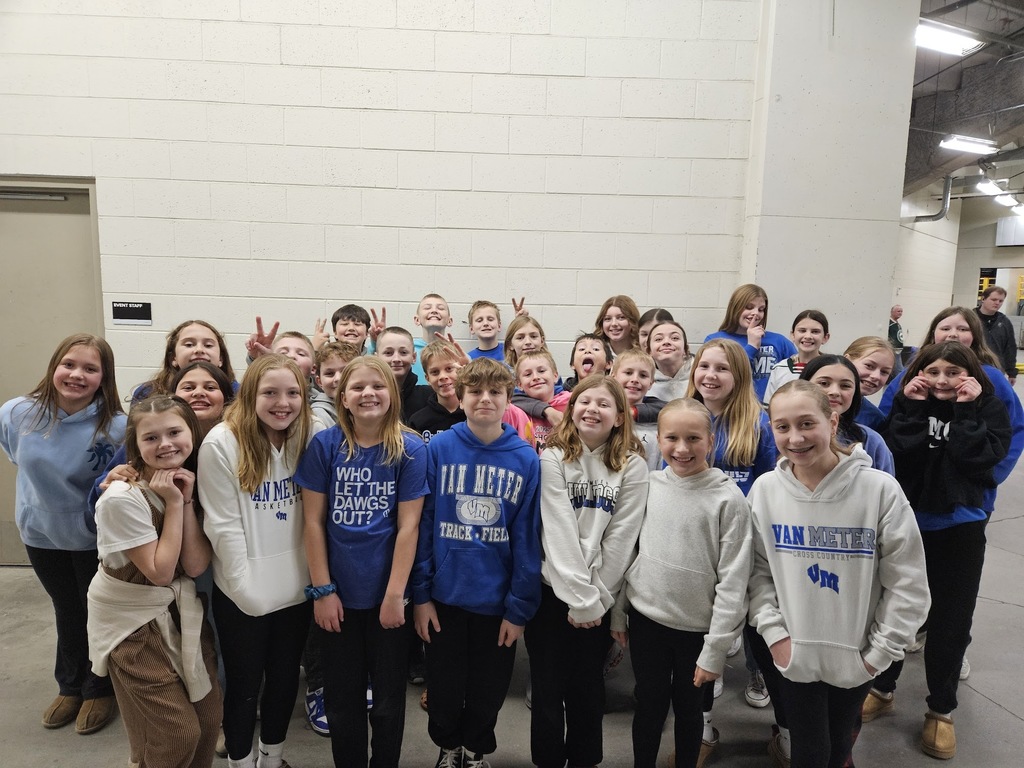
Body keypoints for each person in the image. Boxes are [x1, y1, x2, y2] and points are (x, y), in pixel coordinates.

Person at [749, 381, 929, 768]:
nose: (795, 438)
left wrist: (877, 654)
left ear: (832, 423)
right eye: (782, 427)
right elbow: (757, 572)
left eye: (806, 423)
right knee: (810, 753)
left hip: (858, 656)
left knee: (839, 750)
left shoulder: (880, 491)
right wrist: (775, 635)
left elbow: (908, 584)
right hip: (794, 655)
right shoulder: (765, 491)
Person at [867, 342, 1011, 759]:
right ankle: (882, 685)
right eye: (934, 372)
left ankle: (940, 710)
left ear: (969, 374)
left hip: (960, 528)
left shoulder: (988, 408)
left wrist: (965, 411)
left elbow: (979, 461)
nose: (943, 380)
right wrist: (910, 409)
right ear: (919, 374)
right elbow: (898, 456)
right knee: (891, 608)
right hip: (907, 525)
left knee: (950, 617)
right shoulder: (907, 402)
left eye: (953, 372)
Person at [296, 357, 428, 768]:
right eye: (357, 387)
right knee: (343, 700)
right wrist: (322, 590)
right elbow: (313, 523)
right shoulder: (325, 445)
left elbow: (409, 528)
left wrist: (395, 595)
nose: (368, 393)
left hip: (387, 596)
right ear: (343, 397)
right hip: (337, 597)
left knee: (388, 703)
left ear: (392, 393)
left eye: (378, 386)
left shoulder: (410, 448)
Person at [413, 358, 542, 768]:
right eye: (475, 392)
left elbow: (527, 539)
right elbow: (424, 524)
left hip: (496, 603)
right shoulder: (439, 448)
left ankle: (474, 751)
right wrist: (421, 596)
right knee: (445, 689)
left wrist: (519, 608)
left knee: (489, 690)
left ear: (508, 399)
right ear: (460, 396)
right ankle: (449, 747)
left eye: (495, 392)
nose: (485, 399)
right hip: (444, 598)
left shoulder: (525, 458)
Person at [611, 398, 751, 768]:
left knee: (690, 713)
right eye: (672, 438)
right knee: (649, 706)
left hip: (697, 633)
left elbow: (734, 582)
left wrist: (717, 648)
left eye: (694, 438)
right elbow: (632, 554)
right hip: (647, 623)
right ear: (658, 438)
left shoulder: (728, 500)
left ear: (711, 440)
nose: (682, 448)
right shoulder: (650, 485)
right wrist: (619, 613)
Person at [0, 333, 125, 735]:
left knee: (98, 613)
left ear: (104, 378)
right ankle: (69, 686)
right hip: (42, 534)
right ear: (55, 366)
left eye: (90, 368)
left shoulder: (119, 426)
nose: (76, 375)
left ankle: (99, 688)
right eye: (69, 364)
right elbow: (17, 456)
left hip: (95, 538)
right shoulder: (16, 413)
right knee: (66, 609)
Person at [198, 355, 319, 768]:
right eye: (269, 392)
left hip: (297, 584)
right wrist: (245, 592)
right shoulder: (221, 442)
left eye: (292, 393)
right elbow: (223, 527)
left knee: (285, 679)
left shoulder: (312, 433)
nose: (281, 403)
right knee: (246, 685)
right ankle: (240, 760)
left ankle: (273, 757)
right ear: (250, 394)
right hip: (243, 590)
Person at [87, 394, 221, 767]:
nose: (165, 444)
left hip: (180, 614)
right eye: (151, 438)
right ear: (135, 444)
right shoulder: (121, 498)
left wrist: (185, 500)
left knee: (209, 721)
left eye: (175, 432)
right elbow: (160, 572)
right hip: (133, 626)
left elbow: (194, 566)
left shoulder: (186, 483)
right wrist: (176, 505)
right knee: (176, 734)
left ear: (191, 434)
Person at [527, 376, 649, 768]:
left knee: (587, 690)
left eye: (603, 404)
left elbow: (622, 540)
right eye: (584, 401)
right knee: (546, 689)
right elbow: (557, 532)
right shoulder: (551, 457)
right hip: (552, 594)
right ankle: (547, 760)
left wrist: (593, 600)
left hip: (599, 597)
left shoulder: (633, 467)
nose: (592, 409)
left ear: (619, 417)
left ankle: (583, 760)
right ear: (571, 409)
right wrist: (579, 599)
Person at [800, 356, 894, 475]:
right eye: (824, 383)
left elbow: (886, 490)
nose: (834, 392)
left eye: (845, 386)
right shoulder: (777, 434)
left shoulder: (871, 440)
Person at [704, 284, 798, 401]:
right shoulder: (715, 340)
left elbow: (798, 374)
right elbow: (729, 374)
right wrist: (752, 346)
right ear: (735, 307)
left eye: (761, 309)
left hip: (770, 411)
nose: (756, 313)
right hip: (732, 408)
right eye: (749, 307)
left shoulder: (779, 341)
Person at [133, 320, 236, 403]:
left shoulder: (237, 393)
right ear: (173, 357)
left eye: (208, 345)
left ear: (221, 359)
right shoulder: (147, 393)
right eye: (189, 345)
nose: (199, 350)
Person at [611, 349, 667, 470]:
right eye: (628, 372)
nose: (635, 379)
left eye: (643, 375)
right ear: (613, 376)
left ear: (651, 383)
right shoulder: (604, 417)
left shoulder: (659, 424)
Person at [763, 310, 830, 404]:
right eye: (802, 331)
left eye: (815, 332)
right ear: (793, 335)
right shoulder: (780, 368)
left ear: (825, 338)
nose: (808, 336)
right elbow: (769, 406)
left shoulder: (831, 368)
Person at [515, 350, 571, 452]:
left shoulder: (572, 403)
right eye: (528, 374)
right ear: (519, 385)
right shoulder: (516, 410)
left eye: (541, 371)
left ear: (555, 376)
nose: (536, 377)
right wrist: (547, 410)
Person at [843, 336, 896, 431]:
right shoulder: (814, 400)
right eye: (869, 366)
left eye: (884, 372)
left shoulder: (876, 419)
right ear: (847, 360)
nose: (876, 376)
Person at [974, 286, 1018, 384]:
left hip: (996, 370)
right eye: (994, 299)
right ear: (983, 299)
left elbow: (1010, 348)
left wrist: (1012, 372)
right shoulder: (969, 318)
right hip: (972, 367)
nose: (997, 303)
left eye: (1001, 301)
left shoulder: (1005, 322)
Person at [646, 320, 695, 402]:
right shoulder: (644, 382)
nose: (666, 342)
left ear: (685, 349)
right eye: (658, 339)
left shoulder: (699, 376)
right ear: (649, 351)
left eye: (675, 338)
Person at [888, 305, 905, 375]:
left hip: (898, 351)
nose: (900, 313)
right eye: (898, 311)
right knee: (900, 370)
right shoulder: (889, 323)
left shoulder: (897, 324)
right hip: (893, 350)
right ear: (892, 312)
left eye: (901, 311)